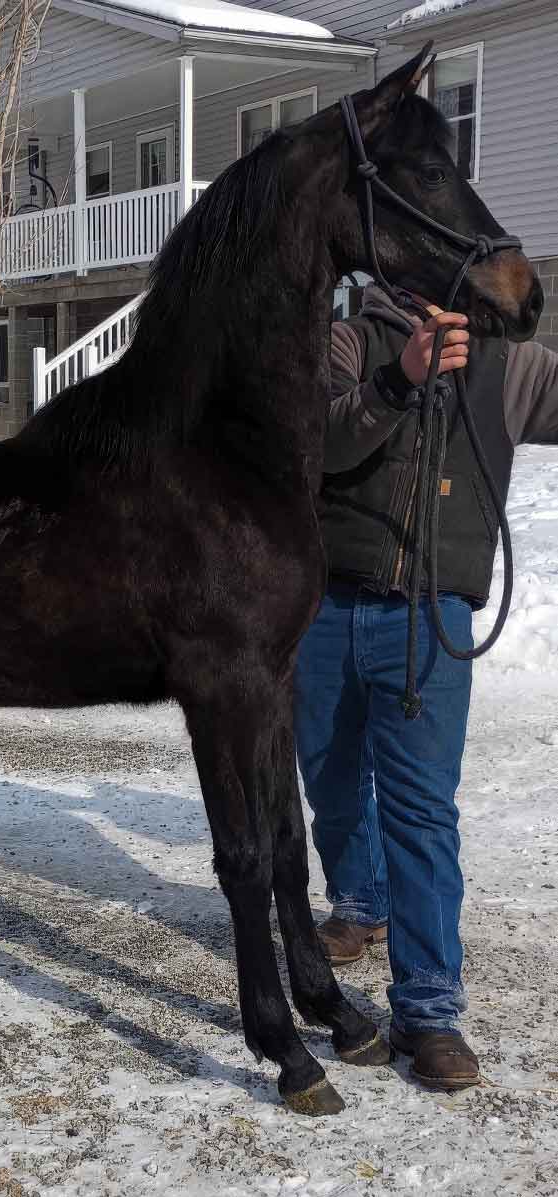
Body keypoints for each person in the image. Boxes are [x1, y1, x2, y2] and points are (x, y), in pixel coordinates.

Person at [294, 282, 558, 1090]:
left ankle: (429, 1009)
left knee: (420, 809)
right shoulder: (348, 341)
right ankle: (359, 901)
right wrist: (397, 379)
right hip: (326, 601)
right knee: (330, 779)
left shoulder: (510, 364)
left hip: (429, 614)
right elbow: (318, 443)